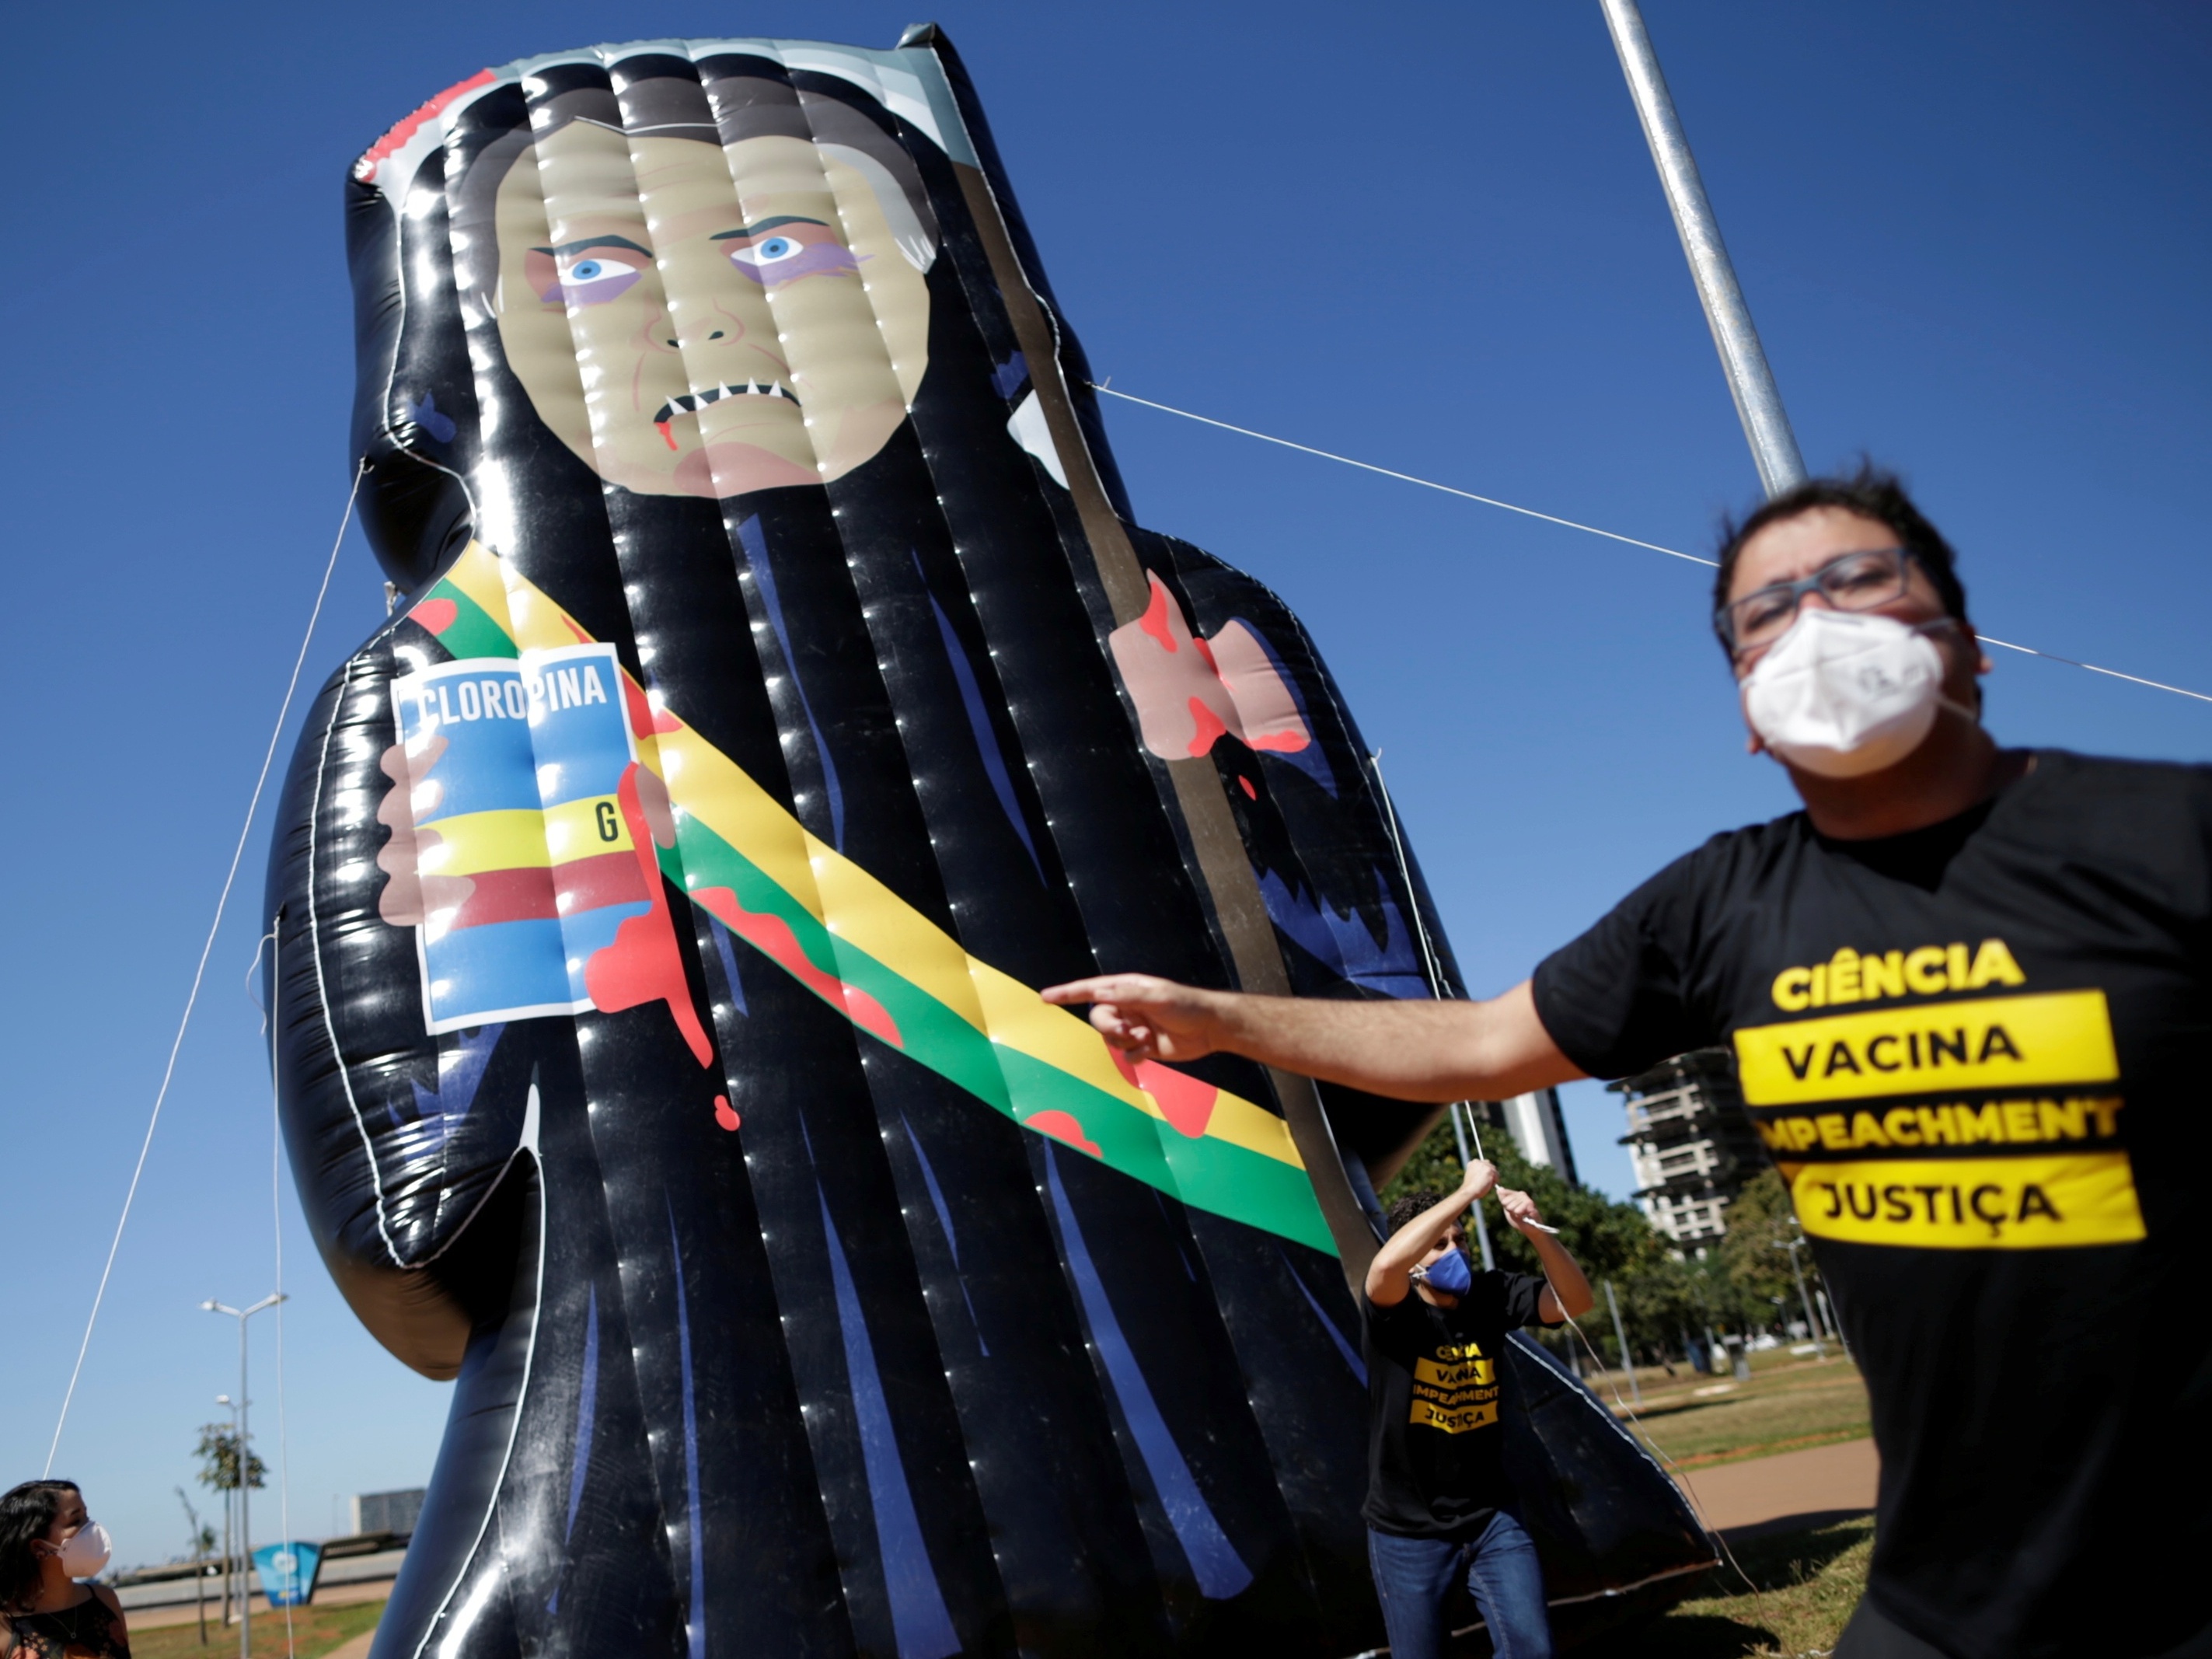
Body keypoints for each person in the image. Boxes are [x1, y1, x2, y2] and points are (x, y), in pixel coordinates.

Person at [1044, 466, 2212, 1659]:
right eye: (1768, 613)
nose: (1816, 624)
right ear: (1750, 706)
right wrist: (1222, 1016)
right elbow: (1483, 1040)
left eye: (1857, 581)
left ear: (1965, 643)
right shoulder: (1727, 901)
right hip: (1942, 1595)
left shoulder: (2165, 836)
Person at [1362, 1160, 1593, 1659]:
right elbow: (1384, 1268)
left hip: (1492, 1518)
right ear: (1414, 1256)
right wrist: (1466, 1193)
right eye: (1441, 1243)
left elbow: (1574, 1300)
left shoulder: (1491, 1295)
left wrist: (1536, 1235)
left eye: (1461, 1240)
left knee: (1531, 1649)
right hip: (1408, 1530)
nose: (1456, 1251)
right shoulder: (1394, 1307)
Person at [0, 1481, 127, 1658]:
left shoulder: (105, 1600)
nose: (91, 1528)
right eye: (76, 1520)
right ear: (38, 1547)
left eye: (87, 1516)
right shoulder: (5, 1625)